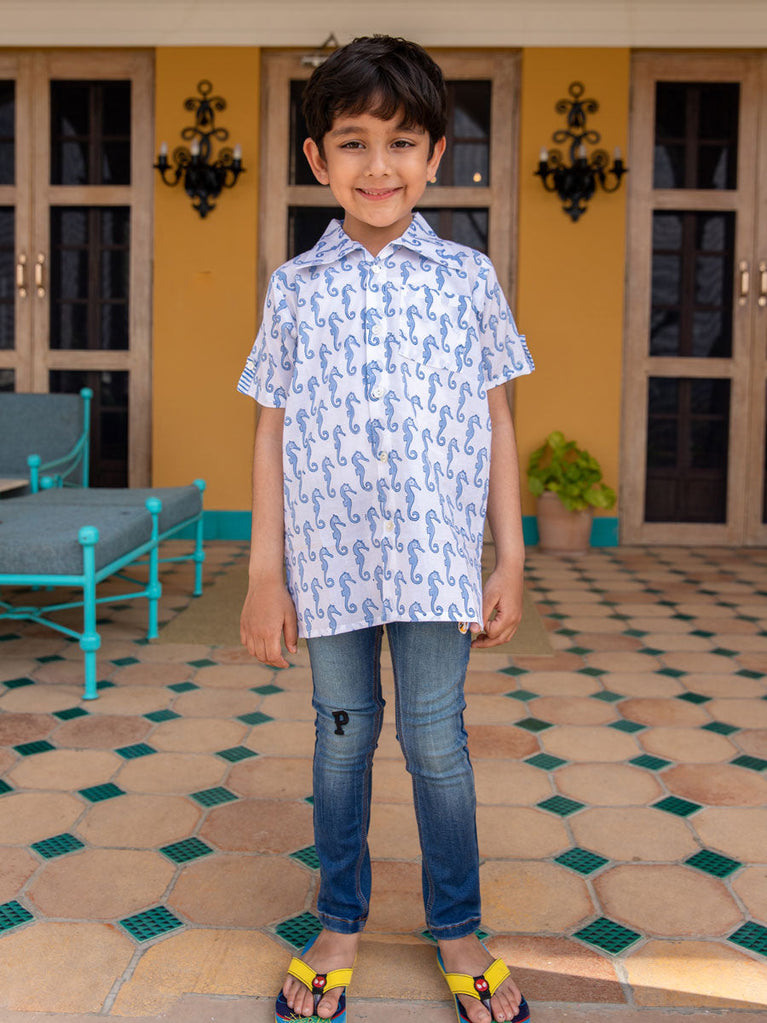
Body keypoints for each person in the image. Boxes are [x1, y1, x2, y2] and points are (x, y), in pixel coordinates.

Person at [238, 34, 534, 1023]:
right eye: (353, 143)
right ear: (316, 158)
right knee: (341, 738)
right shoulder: (294, 286)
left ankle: (457, 926)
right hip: (327, 567)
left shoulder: (465, 278)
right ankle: (338, 922)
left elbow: (496, 418)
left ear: (435, 154)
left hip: (434, 564)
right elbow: (270, 428)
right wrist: (264, 575)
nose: (378, 166)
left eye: (401, 142)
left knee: (435, 743)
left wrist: (510, 556)